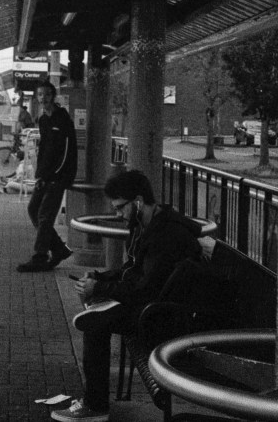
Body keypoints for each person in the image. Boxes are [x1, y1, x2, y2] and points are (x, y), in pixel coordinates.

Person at [52, 169, 203, 422]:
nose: (118, 214)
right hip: (154, 304)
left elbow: (145, 288)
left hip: (165, 315)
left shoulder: (166, 235)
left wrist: (99, 289)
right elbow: (131, 271)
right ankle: (94, 403)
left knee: (94, 323)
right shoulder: (145, 224)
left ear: (138, 202)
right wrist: (99, 278)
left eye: (121, 208)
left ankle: (95, 406)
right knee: (95, 313)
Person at [17, 80, 76, 272]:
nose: (43, 98)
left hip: (59, 176)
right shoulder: (43, 120)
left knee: (45, 215)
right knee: (33, 209)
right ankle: (58, 249)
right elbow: (43, 150)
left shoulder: (63, 118)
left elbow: (67, 150)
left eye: (47, 95)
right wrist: (40, 174)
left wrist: (56, 174)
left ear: (53, 97)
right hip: (45, 175)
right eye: (40, 95)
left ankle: (40, 256)